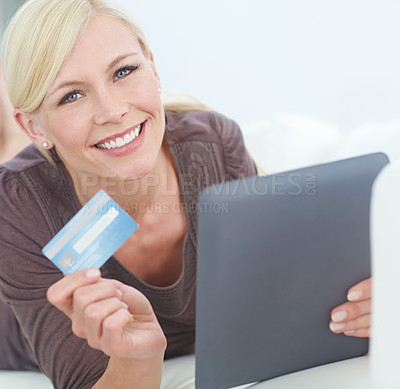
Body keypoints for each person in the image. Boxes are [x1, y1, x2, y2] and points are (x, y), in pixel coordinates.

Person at [0, 0, 371, 388]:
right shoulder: (18, 204)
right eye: (71, 96)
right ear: (34, 128)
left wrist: (365, 302)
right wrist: (139, 360)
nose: (113, 111)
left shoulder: (214, 149)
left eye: (124, 71)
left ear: (153, 68)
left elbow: (277, 301)